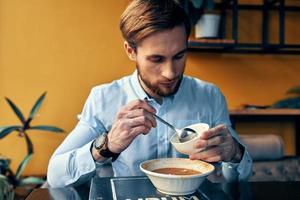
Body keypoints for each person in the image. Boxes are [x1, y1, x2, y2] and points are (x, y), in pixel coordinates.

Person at [47, 0, 252, 187]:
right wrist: (106, 146)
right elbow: (55, 176)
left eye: (179, 56)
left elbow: (239, 178)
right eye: (156, 59)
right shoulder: (103, 98)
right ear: (130, 51)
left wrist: (234, 153)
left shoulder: (210, 96)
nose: (170, 73)